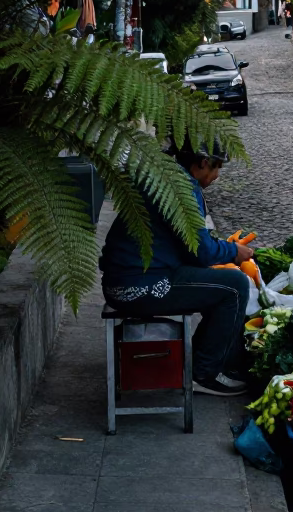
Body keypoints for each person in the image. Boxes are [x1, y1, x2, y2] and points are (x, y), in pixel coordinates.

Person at [100, 144, 254, 396]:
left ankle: (210, 361)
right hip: (138, 286)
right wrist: (233, 252)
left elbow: (190, 243)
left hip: (127, 279)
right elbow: (201, 251)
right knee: (234, 286)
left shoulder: (167, 175)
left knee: (218, 283)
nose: (216, 177)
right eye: (217, 168)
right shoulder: (181, 188)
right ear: (203, 163)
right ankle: (204, 373)